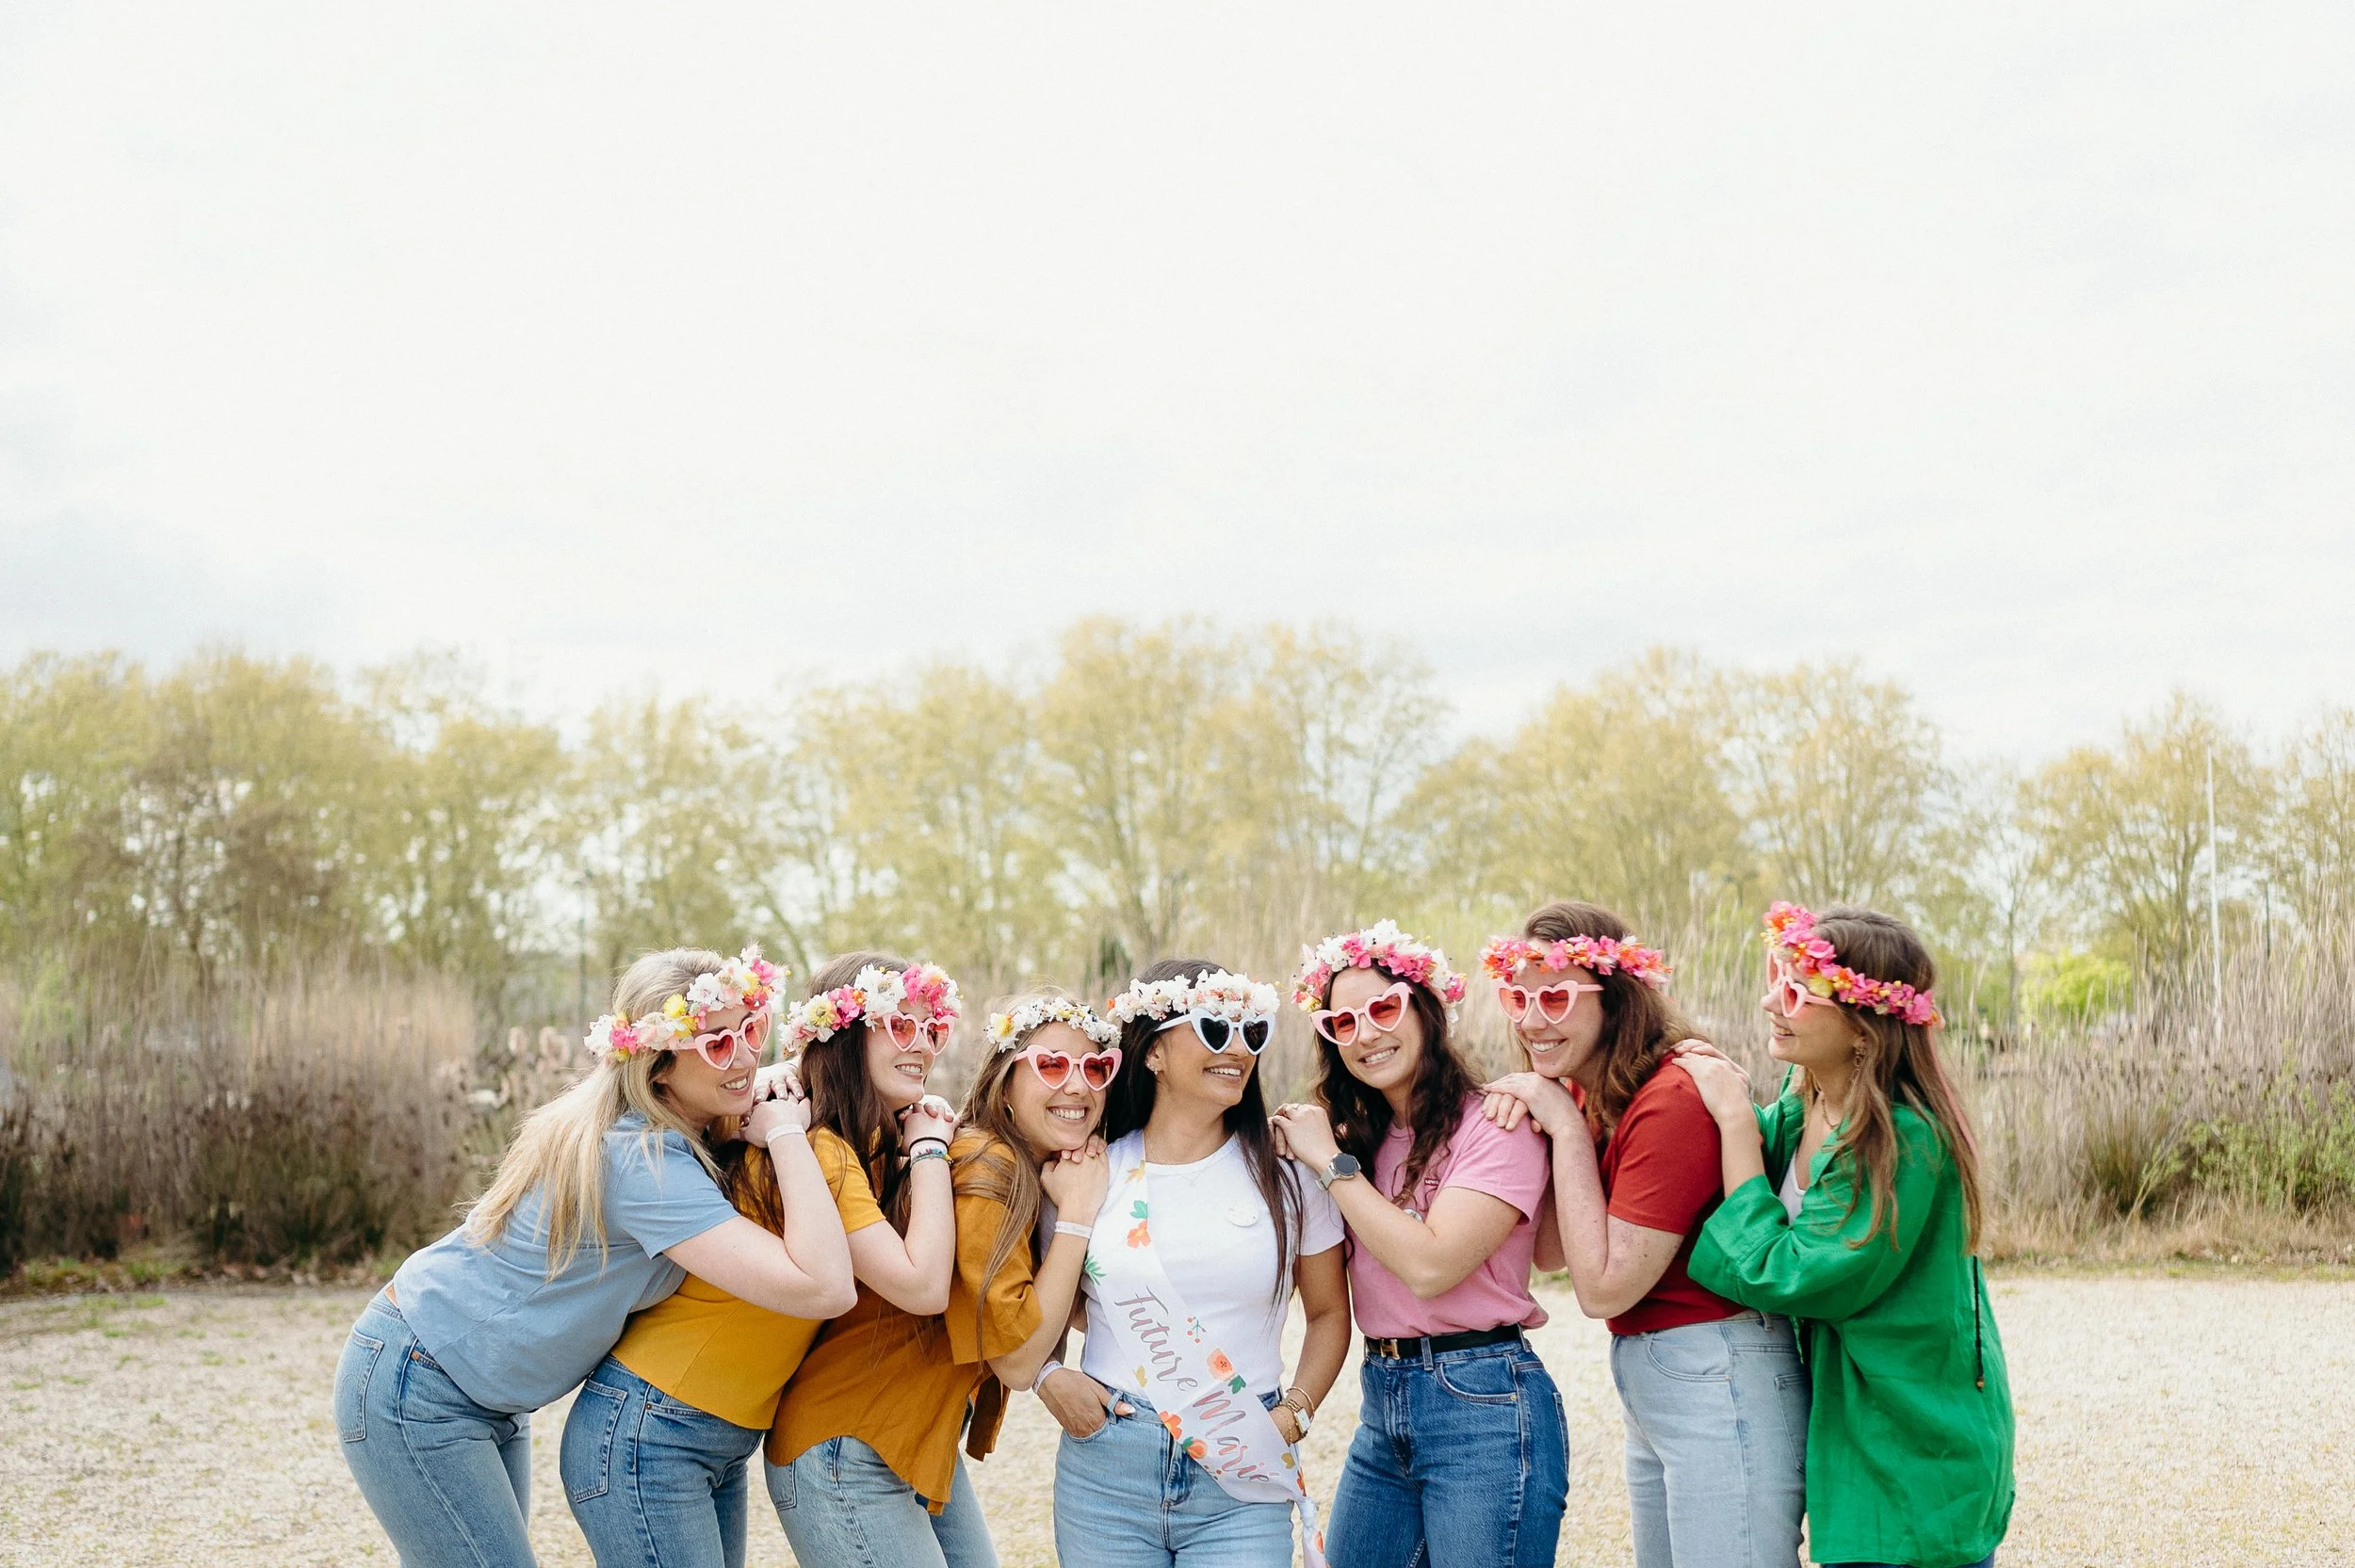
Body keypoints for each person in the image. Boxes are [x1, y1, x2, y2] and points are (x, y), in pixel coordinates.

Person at [334, 945, 855, 1568]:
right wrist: (787, 1133)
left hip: (473, 1383)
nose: (745, 1054)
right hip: (418, 1381)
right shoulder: (642, 1162)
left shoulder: (674, 1127)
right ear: (659, 1067)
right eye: (717, 1044)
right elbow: (823, 1285)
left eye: (753, 1028)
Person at [1677, 903, 2015, 1568]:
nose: (1771, 999)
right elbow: (1726, 1174)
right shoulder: (1804, 1104)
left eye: (1797, 991)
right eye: (1777, 974)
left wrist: (1735, 1123)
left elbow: (1793, 1273)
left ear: (1864, 1028)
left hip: (1913, 1430)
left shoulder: (1906, 1140)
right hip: (1854, 1422)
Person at [1479, 899, 1807, 1568]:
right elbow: (1551, 1250)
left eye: (1558, 997)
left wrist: (1565, 1127)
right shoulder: (1594, 1092)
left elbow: (1601, 1286)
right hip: (1660, 1377)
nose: (1532, 1020)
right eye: (1518, 996)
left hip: (1718, 1370)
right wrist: (1550, 1123)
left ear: (1616, 997)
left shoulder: (1670, 1100)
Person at [764, 954, 1095, 1568]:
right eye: (898, 1025)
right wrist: (1075, 1215)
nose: (920, 1043)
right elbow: (1001, 1342)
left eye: (931, 1028)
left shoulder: (900, 1135)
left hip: (907, 1440)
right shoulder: (961, 1160)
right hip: (849, 1445)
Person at [1268, 921, 1567, 1568]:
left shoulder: (1496, 1125)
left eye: (1382, 1008)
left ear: (1426, 1011)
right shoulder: (1359, 1138)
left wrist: (1329, 1162)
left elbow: (1431, 1264)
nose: (1366, 1032)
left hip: (1484, 1403)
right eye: (1342, 1023)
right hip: (1383, 1401)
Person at [1041, 960, 1352, 1568]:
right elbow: (1042, 1301)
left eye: (1251, 1032)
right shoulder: (1087, 1170)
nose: (1237, 1048)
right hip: (1109, 1462)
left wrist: (1295, 1413)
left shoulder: (1289, 1173)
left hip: (1243, 1462)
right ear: (1153, 1052)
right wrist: (1050, 1375)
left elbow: (1328, 1312)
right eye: (1214, 1028)